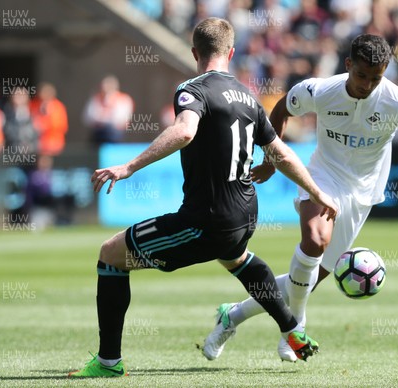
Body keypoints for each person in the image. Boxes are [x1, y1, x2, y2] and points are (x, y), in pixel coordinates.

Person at [69, 17, 337, 378]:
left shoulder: (191, 90)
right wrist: (318, 193)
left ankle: (108, 363)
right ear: (231, 52)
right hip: (246, 213)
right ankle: (292, 330)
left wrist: (129, 166)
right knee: (236, 257)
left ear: (194, 52)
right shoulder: (248, 96)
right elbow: (283, 154)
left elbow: (183, 132)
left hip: (207, 219)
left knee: (110, 256)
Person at [203, 34, 398, 362]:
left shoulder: (397, 102)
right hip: (323, 176)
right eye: (362, 75)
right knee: (314, 239)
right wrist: (271, 158)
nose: (368, 85)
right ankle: (293, 330)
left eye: (376, 78)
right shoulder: (320, 90)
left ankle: (233, 315)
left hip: (363, 192)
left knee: (305, 280)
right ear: (349, 64)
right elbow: (281, 109)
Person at [82, 75, 134, 145]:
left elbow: (120, 120)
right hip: (98, 132)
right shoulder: (96, 98)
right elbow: (88, 117)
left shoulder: (123, 99)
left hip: (115, 134)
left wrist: (106, 114)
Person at [30, 82, 68, 157]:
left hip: (54, 144)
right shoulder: (33, 104)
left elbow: (62, 126)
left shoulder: (58, 106)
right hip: (37, 144)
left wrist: (46, 123)